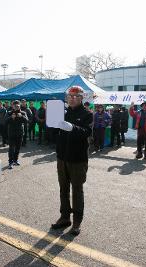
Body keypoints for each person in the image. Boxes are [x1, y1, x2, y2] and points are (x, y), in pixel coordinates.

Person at [52, 86, 92, 236]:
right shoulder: (64, 112)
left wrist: (72, 127)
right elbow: (54, 132)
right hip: (62, 157)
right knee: (63, 189)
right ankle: (64, 217)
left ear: (81, 98)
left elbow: (87, 132)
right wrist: (53, 120)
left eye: (76, 96)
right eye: (70, 96)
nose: (73, 98)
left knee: (77, 190)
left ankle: (76, 222)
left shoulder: (87, 114)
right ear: (67, 97)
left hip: (77, 159)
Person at [5, 100, 28, 169]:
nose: (16, 107)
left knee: (18, 148)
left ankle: (15, 160)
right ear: (12, 106)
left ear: (19, 105)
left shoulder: (23, 113)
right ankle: (10, 162)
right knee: (11, 148)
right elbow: (5, 121)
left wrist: (21, 116)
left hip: (20, 133)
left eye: (18, 105)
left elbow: (27, 121)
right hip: (11, 133)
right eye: (15, 106)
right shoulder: (9, 113)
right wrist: (11, 117)